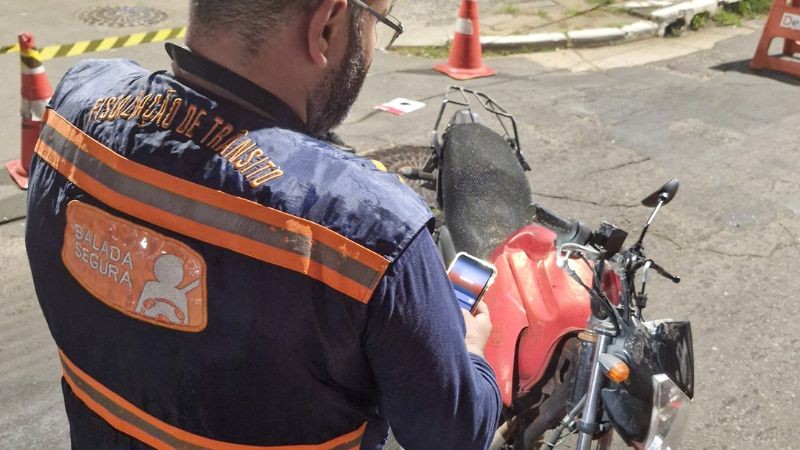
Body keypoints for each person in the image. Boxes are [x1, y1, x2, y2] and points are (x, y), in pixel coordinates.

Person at [25, 0, 502, 448]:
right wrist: (474, 354)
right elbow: (452, 435)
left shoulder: (75, 104)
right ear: (329, 26)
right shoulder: (374, 231)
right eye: (378, 22)